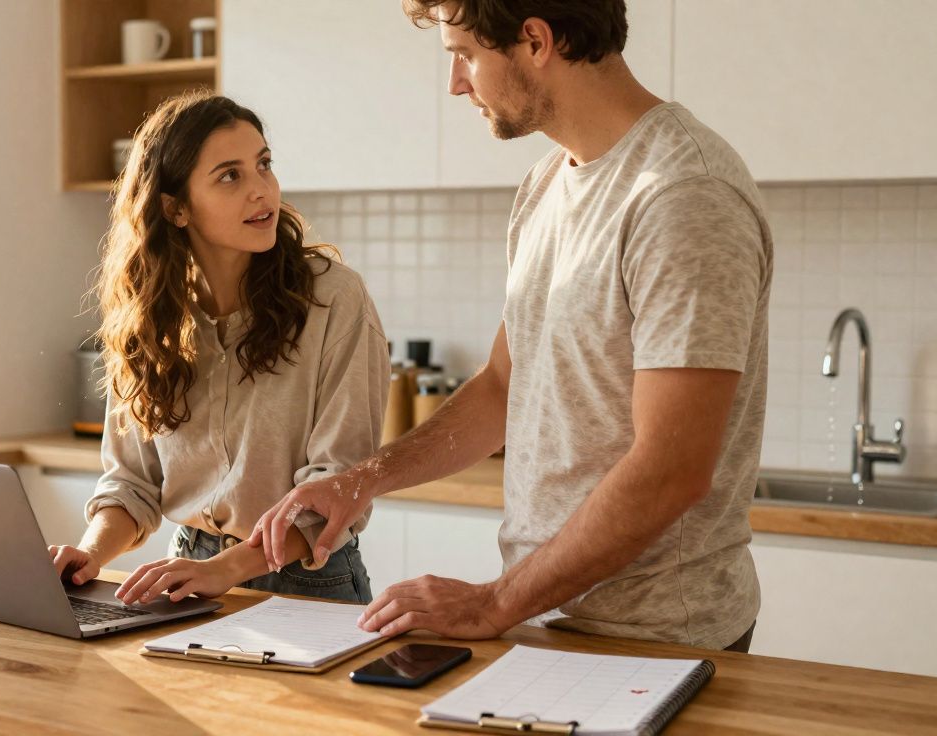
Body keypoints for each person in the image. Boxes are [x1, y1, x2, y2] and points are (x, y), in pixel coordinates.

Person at [251, 0, 773, 652]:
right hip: (549, 616)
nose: (456, 84)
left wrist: (495, 603)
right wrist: (362, 481)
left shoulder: (681, 193)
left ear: (534, 41)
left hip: (662, 640)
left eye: (465, 55)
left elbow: (673, 468)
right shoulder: (545, 185)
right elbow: (504, 384)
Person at [49, 90, 389, 605]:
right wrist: (91, 554)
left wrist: (227, 568)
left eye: (264, 165)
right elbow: (133, 483)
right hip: (192, 574)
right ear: (175, 207)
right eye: (230, 175)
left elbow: (337, 486)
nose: (262, 191)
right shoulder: (151, 319)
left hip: (309, 581)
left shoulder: (333, 298)